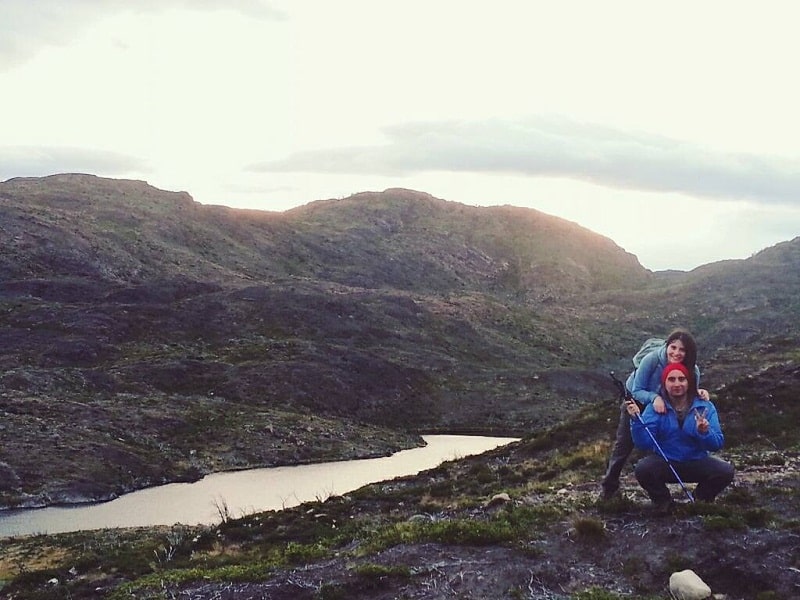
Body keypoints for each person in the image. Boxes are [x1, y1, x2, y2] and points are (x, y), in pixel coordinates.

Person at [599, 329, 709, 500]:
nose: (676, 353)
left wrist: (700, 393)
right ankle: (609, 487)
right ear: (667, 346)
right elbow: (637, 389)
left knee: (663, 443)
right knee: (624, 445)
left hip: (665, 407)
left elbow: (689, 392)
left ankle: (658, 490)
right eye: (673, 347)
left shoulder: (692, 370)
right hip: (637, 403)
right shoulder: (652, 360)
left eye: (682, 350)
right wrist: (654, 398)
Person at [626, 363, 734, 511]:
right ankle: (663, 503)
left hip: (697, 461)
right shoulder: (655, 407)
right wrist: (637, 421)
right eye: (671, 379)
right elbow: (643, 443)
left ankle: (701, 500)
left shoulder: (705, 406)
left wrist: (704, 432)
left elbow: (716, 444)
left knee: (725, 471)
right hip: (666, 461)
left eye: (681, 379)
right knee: (643, 469)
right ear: (664, 383)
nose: (677, 384)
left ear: (689, 382)